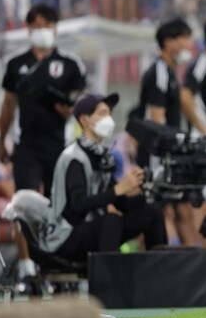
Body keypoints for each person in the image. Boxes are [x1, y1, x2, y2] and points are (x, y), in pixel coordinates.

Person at [0, 3, 87, 282]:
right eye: (36, 25)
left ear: (55, 27)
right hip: (27, 146)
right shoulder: (16, 65)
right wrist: (1, 140)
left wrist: (67, 109)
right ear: (28, 28)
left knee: (57, 204)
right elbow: (8, 105)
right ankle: (26, 263)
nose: (42, 31)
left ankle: (55, 259)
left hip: (58, 145)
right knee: (23, 200)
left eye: (47, 25)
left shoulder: (70, 64)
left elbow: (80, 105)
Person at [41, 93, 167, 261]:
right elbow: (79, 205)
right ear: (85, 120)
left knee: (153, 212)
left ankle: (161, 272)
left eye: (109, 113)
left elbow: (116, 201)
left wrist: (142, 192)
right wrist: (119, 189)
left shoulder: (103, 156)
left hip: (94, 227)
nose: (108, 119)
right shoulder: (74, 157)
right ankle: (108, 283)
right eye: (102, 113)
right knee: (111, 221)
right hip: (66, 236)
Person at [137, 18, 198, 245]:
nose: (188, 45)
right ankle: (156, 264)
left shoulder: (172, 73)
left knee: (184, 209)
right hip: (158, 155)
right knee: (155, 212)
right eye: (184, 39)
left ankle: (195, 265)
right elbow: (156, 118)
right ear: (169, 42)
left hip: (172, 154)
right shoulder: (159, 72)